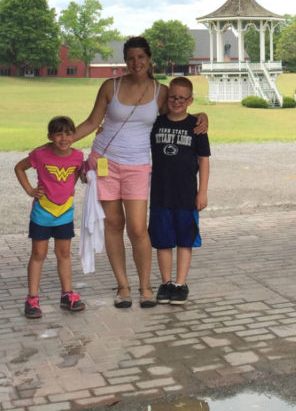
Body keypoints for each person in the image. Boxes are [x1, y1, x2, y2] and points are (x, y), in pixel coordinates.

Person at [72, 37, 207, 309]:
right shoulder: (110, 86)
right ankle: (123, 286)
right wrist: (62, 142)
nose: (136, 63)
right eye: (131, 58)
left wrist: (204, 116)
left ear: (149, 59)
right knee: (112, 224)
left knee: (137, 228)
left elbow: (181, 111)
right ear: (125, 59)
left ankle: (146, 286)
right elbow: (91, 122)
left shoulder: (161, 91)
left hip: (137, 165)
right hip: (105, 162)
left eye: (141, 58)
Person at [14, 115, 87, 318]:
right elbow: (19, 168)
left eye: (69, 133)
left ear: (74, 135)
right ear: (50, 136)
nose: (64, 138)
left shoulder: (77, 156)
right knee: (38, 254)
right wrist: (30, 190)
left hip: (65, 212)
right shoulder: (40, 154)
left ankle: (67, 294)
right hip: (43, 212)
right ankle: (32, 299)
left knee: (64, 254)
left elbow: (76, 174)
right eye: (59, 134)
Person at [148, 76, 210, 306]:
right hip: (160, 193)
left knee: (185, 240)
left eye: (182, 98)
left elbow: (204, 160)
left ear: (190, 100)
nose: (176, 101)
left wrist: (202, 192)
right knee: (163, 240)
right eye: (173, 97)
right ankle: (166, 283)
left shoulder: (196, 127)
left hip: (186, 194)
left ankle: (180, 284)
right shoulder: (155, 124)